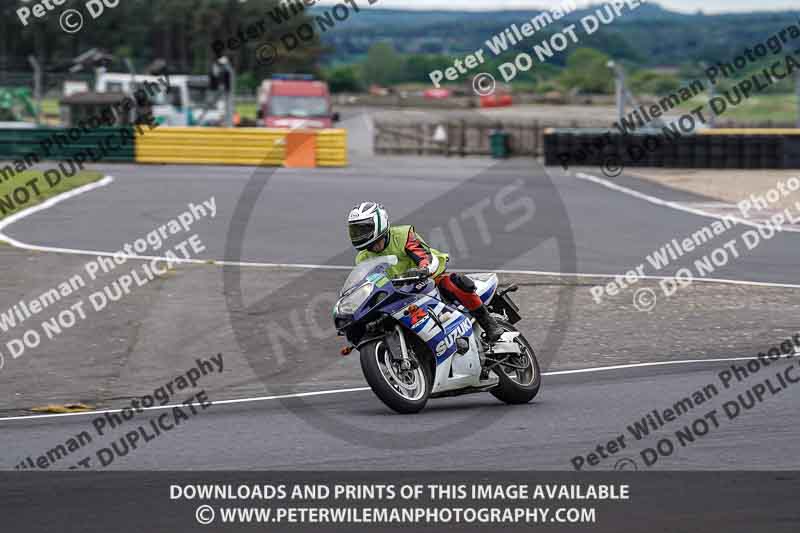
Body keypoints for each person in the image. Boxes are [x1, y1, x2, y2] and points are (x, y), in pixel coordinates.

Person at [347, 201, 504, 342]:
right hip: (397, 294)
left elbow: (423, 256)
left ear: (379, 222)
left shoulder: (402, 235)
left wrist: (423, 269)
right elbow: (367, 282)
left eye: (364, 228)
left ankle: (489, 323)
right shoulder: (362, 257)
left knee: (454, 282)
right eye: (355, 230)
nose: (359, 234)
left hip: (426, 280)